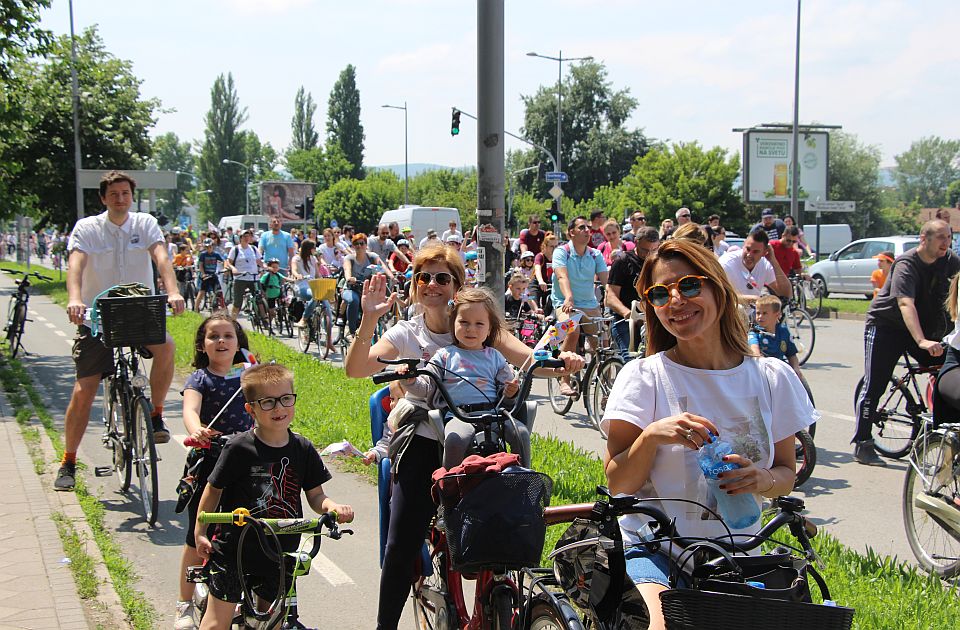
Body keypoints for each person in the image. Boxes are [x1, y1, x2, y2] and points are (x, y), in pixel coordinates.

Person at [343, 245, 583, 630]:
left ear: (457, 285)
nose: (432, 285)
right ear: (414, 285)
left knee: (507, 522)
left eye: (442, 277)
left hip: (482, 442)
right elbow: (356, 369)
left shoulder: (479, 325)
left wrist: (563, 363)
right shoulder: (406, 333)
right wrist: (369, 320)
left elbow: (528, 361)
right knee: (402, 542)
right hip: (425, 443)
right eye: (424, 277)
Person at [601, 239, 816, 630]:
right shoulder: (643, 377)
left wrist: (762, 479)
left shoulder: (772, 378)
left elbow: (786, 473)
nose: (675, 301)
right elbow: (617, 481)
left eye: (688, 285)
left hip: (740, 552)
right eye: (661, 293)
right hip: (655, 550)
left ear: (717, 285)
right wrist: (651, 436)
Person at [194, 363, 354, 630]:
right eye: (267, 402)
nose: (279, 408)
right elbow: (214, 490)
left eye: (285, 399)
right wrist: (201, 530)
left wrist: (332, 506)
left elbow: (315, 494)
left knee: (274, 622)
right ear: (251, 409)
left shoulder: (302, 448)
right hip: (235, 549)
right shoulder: (239, 448)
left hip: (279, 551)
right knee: (215, 624)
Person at [57, 170, 186, 492]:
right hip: (96, 317)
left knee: (166, 346)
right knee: (84, 389)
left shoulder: (144, 224)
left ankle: (155, 414)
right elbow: (76, 264)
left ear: (132, 196)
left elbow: (161, 258)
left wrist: (173, 291)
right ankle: (68, 461)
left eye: (125, 193)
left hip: (138, 312)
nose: (120, 198)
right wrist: (74, 299)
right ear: (103, 198)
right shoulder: (88, 228)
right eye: (113, 194)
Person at [854, 220, 959, 465]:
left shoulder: (951, 261)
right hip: (886, 327)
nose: (947, 242)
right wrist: (921, 340)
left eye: (949, 237)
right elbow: (905, 303)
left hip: (921, 328)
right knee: (875, 384)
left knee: (948, 369)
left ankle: (944, 431)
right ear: (924, 239)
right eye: (941, 237)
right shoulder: (907, 263)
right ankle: (863, 442)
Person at [174, 314, 253, 629]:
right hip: (210, 462)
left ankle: (237, 597)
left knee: (246, 532)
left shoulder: (248, 375)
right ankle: (183, 605)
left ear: (238, 343)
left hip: (246, 464)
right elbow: (190, 411)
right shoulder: (199, 379)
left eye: (228, 336)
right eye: (213, 337)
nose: (221, 342)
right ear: (202, 345)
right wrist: (197, 430)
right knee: (197, 535)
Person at [403, 287, 525, 469]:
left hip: (494, 416)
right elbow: (426, 386)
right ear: (453, 323)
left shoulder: (495, 356)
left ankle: (522, 479)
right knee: (455, 439)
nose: (471, 329)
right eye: (464, 322)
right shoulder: (444, 356)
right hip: (460, 415)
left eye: (479, 324)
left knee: (520, 434)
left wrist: (510, 392)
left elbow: (508, 393)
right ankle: (449, 485)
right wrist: (410, 380)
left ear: (490, 328)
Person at [553, 216, 609, 396]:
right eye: (582, 227)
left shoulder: (595, 254)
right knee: (572, 330)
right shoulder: (562, 252)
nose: (587, 231)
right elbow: (562, 277)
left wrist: (613, 299)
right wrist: (568, 297)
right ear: (571, 233)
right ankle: (565, 380)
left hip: (590, 304)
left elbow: (606, 282)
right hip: (566, 303)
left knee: (602, 341)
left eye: (589, 228)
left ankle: (606, 387)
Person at [606, 227, 660, 360]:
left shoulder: (658, 262)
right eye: (644, 250)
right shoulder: (623, 261)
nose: (648, 255)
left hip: (651, 318)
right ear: (636, 242)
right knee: (631, 360)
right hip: (625, 319)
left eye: (653, 250)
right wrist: (627, 313)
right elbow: (610, 297)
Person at [749, 295, 811, 395]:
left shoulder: (783, 332)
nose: (760, 317)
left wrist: (796, 368)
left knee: (797, 378)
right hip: (762, 370)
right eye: (758, 313)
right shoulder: (754, 333)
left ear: (777, 315)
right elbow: (755, 353)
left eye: (764, 313)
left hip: (780, 370)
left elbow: (792, 354)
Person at [718, 226, 790, 306]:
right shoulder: (726, 263)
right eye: (747, 249)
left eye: (755, 252)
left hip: (750, 316)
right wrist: (752, 299)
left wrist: (773, 261)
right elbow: (719, 296)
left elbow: (785, 293)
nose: (749, 255)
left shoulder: (765, 264)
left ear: (764, 252)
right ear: (743, 245)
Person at [342, 233, 393, 337]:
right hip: (352, 288)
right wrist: (349, 278)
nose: (359, 246)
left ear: (366, 245)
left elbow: (382, 266)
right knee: (354, 301)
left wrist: (390, 276)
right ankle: (352, 332)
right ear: (353, 246)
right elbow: (347, 269)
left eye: (361, 243)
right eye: (356, 244)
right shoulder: (349, 258)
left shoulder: (372, 257)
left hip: (368, 289)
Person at [224, 229, 262, 319]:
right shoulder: (235, 249)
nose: (247, 238)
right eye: (244, 236)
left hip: (253, 277)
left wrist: (267, 267)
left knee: (260, 299)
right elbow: (229, 262)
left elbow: (259, 262)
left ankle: (264, 319)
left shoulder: (253, 248)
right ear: (240, 238)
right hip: (240, 277)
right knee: (237, 302)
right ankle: (232, 321)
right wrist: (233, 268)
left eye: (248, 236)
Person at [195, 239, 225, 312]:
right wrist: (203, 274)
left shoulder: (216, 254)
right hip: (206, 275)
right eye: (206, 247)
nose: (208, 248)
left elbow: (223, 261)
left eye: (210, 247)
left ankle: (224, 309)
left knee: (219, 292)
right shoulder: (203, 255)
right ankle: (195, 308)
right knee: (202, 292)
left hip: (213, 275)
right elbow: (201, 265)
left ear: (212, 246)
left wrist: (224, 268)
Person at [532, 232, 557, 311]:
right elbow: (537, 269)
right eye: (551, 246)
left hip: (550, 284)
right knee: (534, 301)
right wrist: (541, 281)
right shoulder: (540, 256)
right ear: (545, 246)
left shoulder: (557, 258)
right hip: (537, 283)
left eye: (556, 246)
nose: (554, 249)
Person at [258, 258, 285, 327]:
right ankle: (268, 323)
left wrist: (295, 279)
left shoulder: (278, 274)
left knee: (285, 302)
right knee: (272, 313)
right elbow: (260, 283)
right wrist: (263, 292)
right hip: (270, 295)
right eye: (273, 267)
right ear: (269, 267)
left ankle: (281, 315)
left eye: (276, 267)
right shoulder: (266, 276)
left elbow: (285, 278)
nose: (275, 269)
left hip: (278, 293)